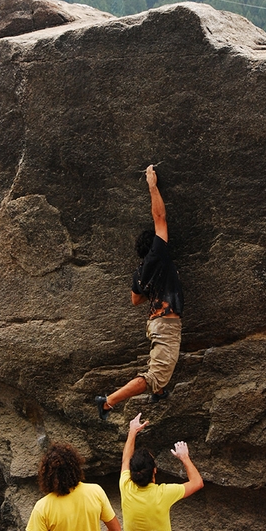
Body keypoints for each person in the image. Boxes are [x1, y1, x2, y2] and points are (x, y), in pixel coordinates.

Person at [95, 164, 184, 420]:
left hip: (156, 322)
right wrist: (152, 186)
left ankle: (159, 390)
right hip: (166, 323)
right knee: (154, 376)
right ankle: (108, 402)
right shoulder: (159, 254)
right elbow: (160, 219)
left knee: (161, 368)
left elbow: (135, 299)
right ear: (153, 246)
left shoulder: (140, 272)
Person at [119, 413, 204, 531]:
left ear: (133, 473)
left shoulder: (125, 486)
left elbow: (125, 459)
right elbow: (197, 482)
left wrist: (132, 431)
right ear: (154, 471)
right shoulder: (164, 493)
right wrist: (184, 457)